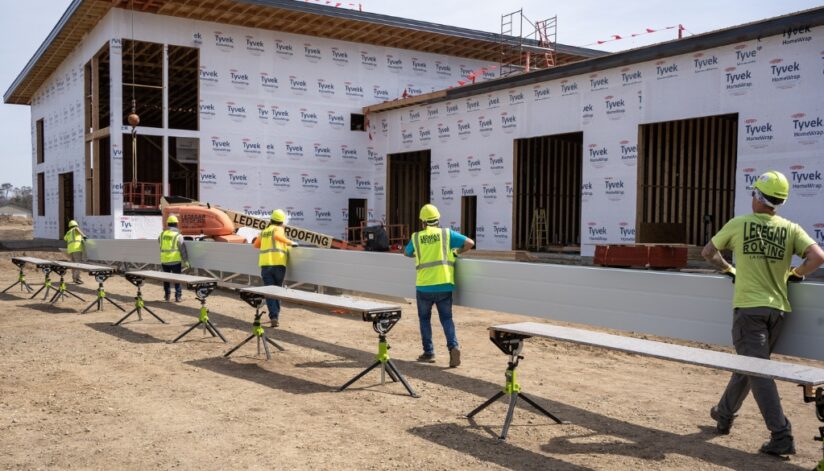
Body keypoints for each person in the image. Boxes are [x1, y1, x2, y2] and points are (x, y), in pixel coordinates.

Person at [702, 170, 824, 456]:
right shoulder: (790, 228)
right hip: (777, 312)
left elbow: (709, 252)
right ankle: (724, 413)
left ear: (757, 196)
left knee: (759, 373)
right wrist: (795, 273)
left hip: (749, 312)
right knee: (752, 366)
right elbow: (817, 257)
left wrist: (728, 269)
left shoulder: (740, 224)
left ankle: (781, 434)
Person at [404, 203, 474, 368]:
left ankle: (429, 352)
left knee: (424, 319)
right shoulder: (446, 234)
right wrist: (456, 252)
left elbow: (406, 253)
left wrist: (419, 253)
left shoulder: (416, 237)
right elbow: (470, 243)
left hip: (424, 287)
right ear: (437, 220)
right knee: (447, 319)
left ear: (423, 222)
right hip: (444, 284)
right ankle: (453, 347)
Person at [253, 209, 297, 328]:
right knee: (277, 291)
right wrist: (290, 242)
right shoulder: (278, 229)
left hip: (265, 265)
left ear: (271, 219)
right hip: (278, 264)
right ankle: (275, 316)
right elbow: (277, 236)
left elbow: (256, 245)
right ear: (281, 221)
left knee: (270, 292)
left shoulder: (264, 231)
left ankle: (274, 316)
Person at [158, 215, 188, 302]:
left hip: (164, 261)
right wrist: (185, 261)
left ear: (168, 224)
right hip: (175, 261)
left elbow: (160, 244)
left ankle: (167, 297)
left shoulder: (162, 234)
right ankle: (178, 297)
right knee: (177, 279)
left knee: (166, 279)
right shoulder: (178, 236)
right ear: (176, 224)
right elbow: (183, 249)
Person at [63, 219, 87, 284]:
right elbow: (77, 229)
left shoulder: (68, 232)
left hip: (70, 250)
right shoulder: (76, 229)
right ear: (76, 225)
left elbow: (65, 238)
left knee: (73, 265)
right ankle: (77, 278)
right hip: (77, 249)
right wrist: (84, 236)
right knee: (78, 264)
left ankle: (74, 278)